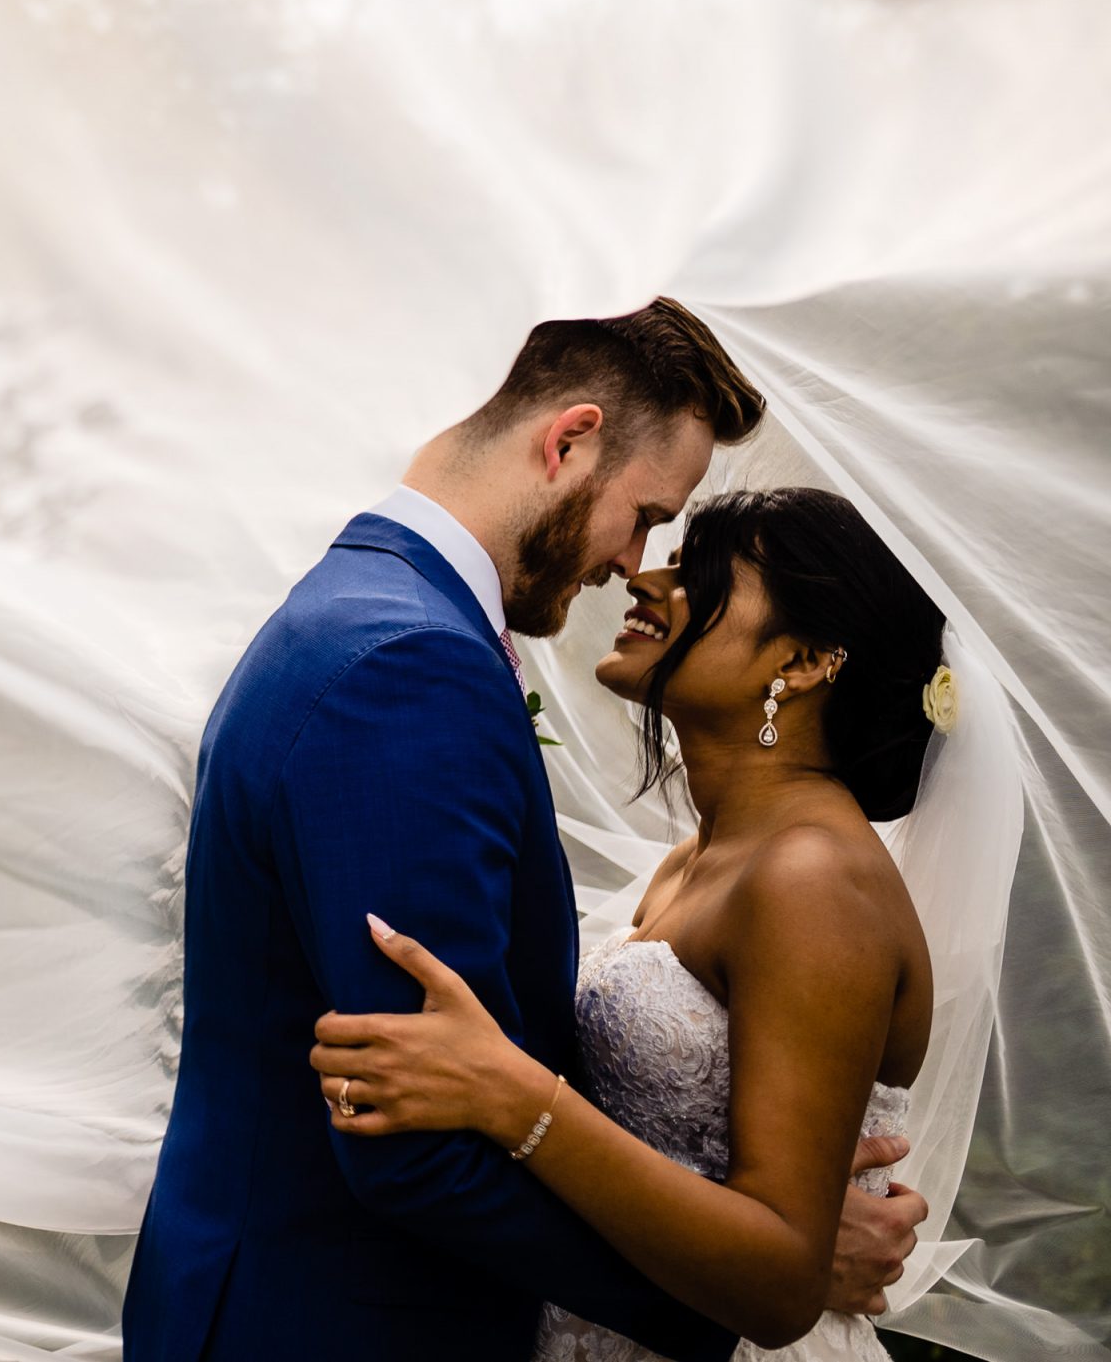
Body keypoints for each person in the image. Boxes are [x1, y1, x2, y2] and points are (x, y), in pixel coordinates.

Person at [123, 300, 925, 1362]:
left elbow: (496, 1065)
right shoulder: (407, 666)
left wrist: (767, 1242)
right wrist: (755, 1278)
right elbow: (418, 1128)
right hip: (336, 1318)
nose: (635, 563)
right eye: (645, 515)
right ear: (567, 441)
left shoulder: (365, 612)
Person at [310, 487, 948, 1361]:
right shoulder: (700, 857)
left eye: (698, 571)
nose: (644, 578)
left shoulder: (815, 880)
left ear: (800, 662)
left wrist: (509, 1093)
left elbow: (776, 1283)